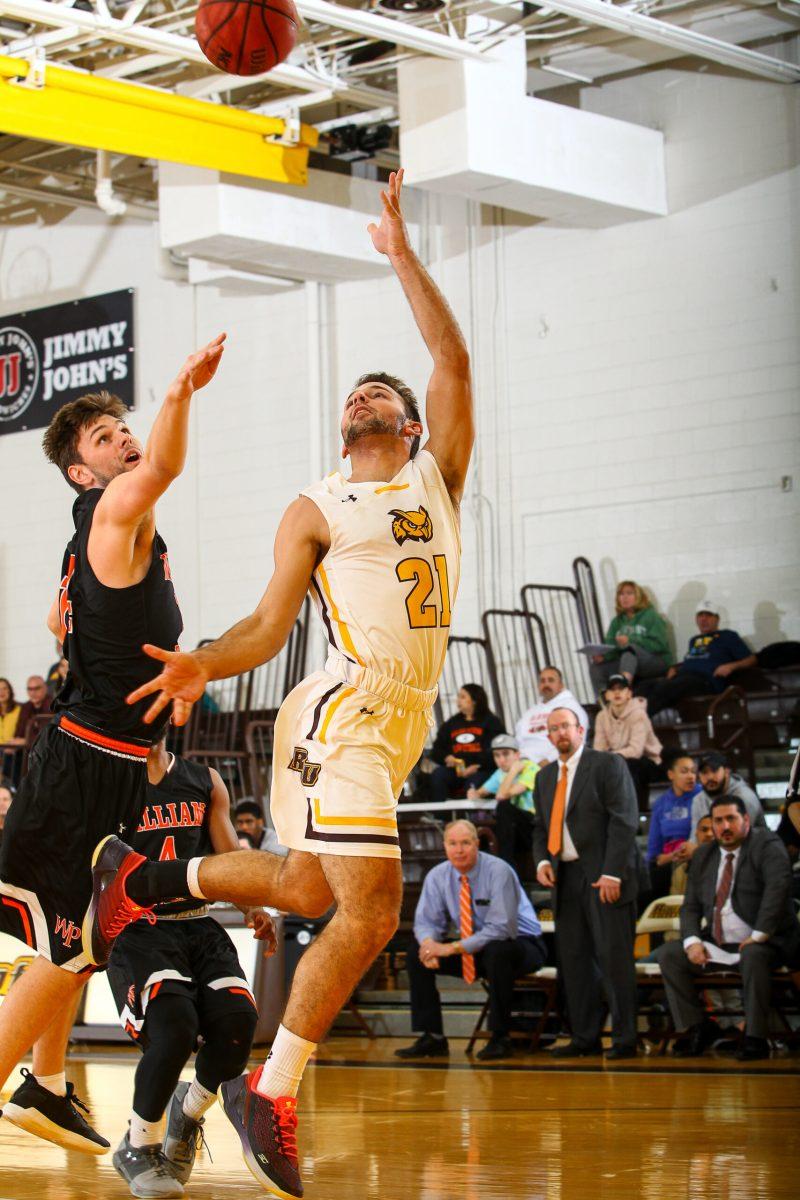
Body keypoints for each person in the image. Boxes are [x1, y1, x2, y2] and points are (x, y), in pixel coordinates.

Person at [96, 167, 473, 1200]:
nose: (364, 398)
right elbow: (269, 623)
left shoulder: (437, 479)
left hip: (397, 724)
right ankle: (275, 1086)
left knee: (309, 890)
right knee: (374, 909)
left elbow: (449, 355)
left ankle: (146, 887)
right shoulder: (316, 503)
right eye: (354, 396)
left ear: (409, 426)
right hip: (342, 705)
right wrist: (204, 662)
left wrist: (398, 253)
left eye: (381, 396)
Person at [0, 334, 225, 1153]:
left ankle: (46, 1085)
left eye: (125, 426)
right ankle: (27, 1083)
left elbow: (62, 618)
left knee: (85, 939)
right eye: (107, 438)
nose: (127, 439)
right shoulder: (115, 507)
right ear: (81, 472)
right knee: (70, 949)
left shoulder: (99, 529)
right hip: (85, 765)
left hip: (109, 762)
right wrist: (181, 392)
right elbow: (162, 470)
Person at [107, 739, 274, 1198]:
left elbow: (227, 857)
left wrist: (252, 906)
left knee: (239, 1026)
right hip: (139, 930)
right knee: (173, 1029)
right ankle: (139, 1146)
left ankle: (190, 1109)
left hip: (198, 926)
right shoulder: (107, 780)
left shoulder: (205, 780)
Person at [656, 797, 800, 1061]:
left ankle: (756, 1038)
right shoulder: (704, 855)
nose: (724, 826)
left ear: (746, 820)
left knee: (754, 955)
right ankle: (699, 1027)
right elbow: (689, 907)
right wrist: (692, 941)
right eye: (718, 821)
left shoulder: (767, 845)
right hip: (719, 943)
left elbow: (777, 892)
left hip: (767, 941)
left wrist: (758, 936)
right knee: (670, 955)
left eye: (731, 819)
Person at [533, 708, 639, 1059]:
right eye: (553, 729)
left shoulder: (608, 765)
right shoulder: (545, 777)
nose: (560, 733)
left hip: (603, 875)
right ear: (548, 736)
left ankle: (624, 1039)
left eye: (565, 726)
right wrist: (543, 860)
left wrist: (613, 872)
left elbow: (623, 821)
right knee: (575, 962)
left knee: (614, 958)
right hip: (565, 876)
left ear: (581, 729)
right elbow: (540, 827)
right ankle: (585, 1038)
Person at [395, 820, 545, 1061]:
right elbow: (426, 923)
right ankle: (432, 1036)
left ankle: (500, 1037)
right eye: (453, 843)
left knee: (498, 951)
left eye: (465, 843)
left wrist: (451, 948)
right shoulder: (437, 876)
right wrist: (429, 946)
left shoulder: (499, 871)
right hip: (476, 948)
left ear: (477, 844)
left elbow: (501, 928)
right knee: (416, 955)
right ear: (445, 846)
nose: (459, 850)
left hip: (522, 945)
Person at [640, 603, 757, 717]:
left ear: (717, 619)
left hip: (705, 682)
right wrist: (675, 668)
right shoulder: (694, 640)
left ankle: (636, 722)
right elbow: (694, 661)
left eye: (708, 615)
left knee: (666, 688)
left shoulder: (728, 636)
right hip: (683, 678)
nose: (704, 619)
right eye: (700, 615)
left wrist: (731, 666)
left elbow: (752, 659)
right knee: (645, 686)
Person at [466, 734, 538, 868]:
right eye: (497, 756)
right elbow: (481, 791)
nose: (501, 760)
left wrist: (513, 771)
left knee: (503, 806)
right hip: (516, 828)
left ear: (517, 755)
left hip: (536, 826)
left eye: (506, 754)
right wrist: (474, 793)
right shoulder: (500, 772)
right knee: (487, 828)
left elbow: (502, 795)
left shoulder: (530, 768)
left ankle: (506, 864)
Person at [592, 674, 663, 808]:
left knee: (629, 768)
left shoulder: (638, 714)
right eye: (612, 689)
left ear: (629, 693)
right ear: (606, 695)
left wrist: (611, 756)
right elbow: (598, 749)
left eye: (621, 688)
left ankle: (634, 812)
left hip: (648, 760)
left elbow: (636, 751)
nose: (617, 692)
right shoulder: (601, 716)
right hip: (618, 761)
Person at [589, 580, 670, 691]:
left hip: (655, 662)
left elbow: (660, 645)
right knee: (596, 667)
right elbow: (612, 647)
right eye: (621, 594)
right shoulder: (616, 621)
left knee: (629, 651)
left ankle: (624, 692)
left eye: (629, 593)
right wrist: (604, 657)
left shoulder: (651, 615)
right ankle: (604, 702)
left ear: (638, 596)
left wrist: (632, 640)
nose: (624, 597)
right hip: (628, 662)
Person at [428, 684, 503, 803]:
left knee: (474, 783)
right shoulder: (451, 724)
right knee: (438, 775)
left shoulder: (491, 722)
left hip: (481, 769)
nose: (458, 700)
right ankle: (440, 817)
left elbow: (497, 749)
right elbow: (436, 750)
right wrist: (446, 757)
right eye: (458, 696)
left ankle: (472, 818)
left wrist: (479, 766)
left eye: (463, 697)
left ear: (474, 700)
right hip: (456, 770)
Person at [646, 753, 702, 898]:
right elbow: (654, 846)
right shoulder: (661, 803)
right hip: (669, 858)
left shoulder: (702, 797)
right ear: (671, 775)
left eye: (693, 771)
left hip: (696, 856)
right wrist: (663, 857)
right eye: (684, 771)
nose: (690, 776)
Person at [514, 666, 589, 767]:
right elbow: (518, 739)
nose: (546, 684)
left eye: (551, 680)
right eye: (542, 681)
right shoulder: (530, 712)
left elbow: (576, 740)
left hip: (551, 764)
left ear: (561, 685)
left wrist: (548, 761)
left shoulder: (570, 707)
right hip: (521, 764)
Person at [690, 751, 765, 831]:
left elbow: (740, 835)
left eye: (714, 771)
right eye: (704, 772)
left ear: (727, 771)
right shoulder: (698, 800)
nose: (710, 777)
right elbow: (695, 835)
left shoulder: (744, 797)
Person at [8, 676, 53, 745]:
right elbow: (18, 732)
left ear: (45, 688)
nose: (33, 693)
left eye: (37, 688)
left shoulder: (53, 705)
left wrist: (26, 741)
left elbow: (49, 737)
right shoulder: (25, 707)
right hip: (27, 752)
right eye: (30, 689)